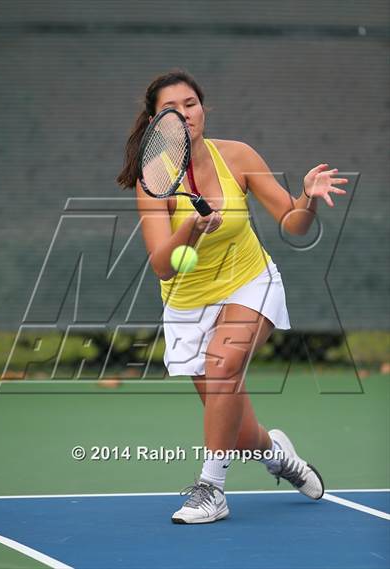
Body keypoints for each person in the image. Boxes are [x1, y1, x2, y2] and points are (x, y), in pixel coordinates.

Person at [117, 70, 348, 524]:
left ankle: (211, 490)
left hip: (250, 282)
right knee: (239, 432)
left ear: (204, 107)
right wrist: (192, 227)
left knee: (223, 364)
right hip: (188, 302)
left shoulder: (237, 155)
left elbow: (292, 223)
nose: (185, 115)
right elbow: (163, 264)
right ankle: (279, 456)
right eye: (172, 109)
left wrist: (308, 196)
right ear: (155, 122)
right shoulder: (153, 181)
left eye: (191, 104)